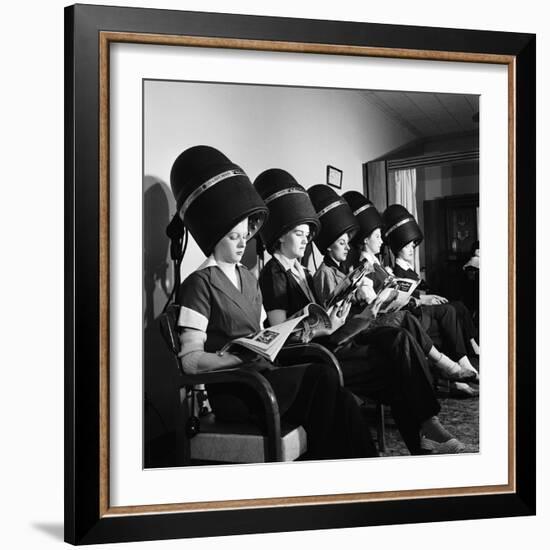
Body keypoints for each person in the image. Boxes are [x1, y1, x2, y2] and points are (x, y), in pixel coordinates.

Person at [170, 145, 377, 461]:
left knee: (343, 399)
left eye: (245, 235)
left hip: (266, 373)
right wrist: (237, 360)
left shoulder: (249, 278)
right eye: (232, 237)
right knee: (322, 380)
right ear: (214, 235)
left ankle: (361, 478)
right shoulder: (198, 284)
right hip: (237, 388)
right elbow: (190, 361)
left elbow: (265, 332)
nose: (242, 244)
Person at [255, 171, 466, 455]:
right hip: (316, 354)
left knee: (398, 341)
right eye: (299, 234)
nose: (306, 241)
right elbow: (280, 333)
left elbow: (322, 316)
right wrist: (323, 327)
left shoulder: (302, 272)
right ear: (280, 237)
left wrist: (352, 313)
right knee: (397, 359)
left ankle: (427, 436)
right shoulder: (274, 273)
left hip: (331, 341)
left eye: (307, 235)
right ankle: (427, 436)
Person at [341, 190, 477, 383]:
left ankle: (457, 370)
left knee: (449, 310)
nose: (382, 241)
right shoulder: (363, 268)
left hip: (401, 308)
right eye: (378, 237)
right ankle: (453, 371)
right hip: (388, 316)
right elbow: (373, 302)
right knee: (438, 313)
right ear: (365, 240)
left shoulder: (378, 265)